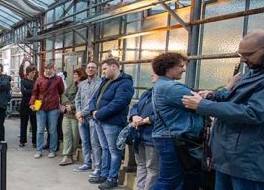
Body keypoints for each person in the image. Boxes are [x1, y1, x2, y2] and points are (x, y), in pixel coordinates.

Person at [182, 30, 264, 190]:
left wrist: (203, 106)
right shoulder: (256, 70)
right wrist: (213, 96)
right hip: (228, 155)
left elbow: (254, 112)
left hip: (249, 158)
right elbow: (236, 98)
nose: (243, 59)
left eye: (248, 54)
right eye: (241, 54)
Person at [147, 52, 204, 190]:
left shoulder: (162, 85)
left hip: (168, 137)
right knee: (169, 181)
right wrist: (228, 88)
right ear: (168, 67)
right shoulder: (171, 87)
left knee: (175, 179)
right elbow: (203, 103)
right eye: (180, 66)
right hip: (172, 138)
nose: (183, 69)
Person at [85, 58, 134, 189]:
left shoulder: (125, 83)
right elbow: (94, 98)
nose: (103, 72)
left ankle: (112, 178)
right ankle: (104, 174)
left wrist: (98, 114)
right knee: (105, 149)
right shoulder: (106, 81)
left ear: (114, 67)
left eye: (105, 69)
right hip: (100, 121)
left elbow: (118, 103)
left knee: (114, 151)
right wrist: (92, 111)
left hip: (113, 123)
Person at [129, 74, 159, 190]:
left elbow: (163, 113)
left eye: (155, 73)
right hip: (139, 135)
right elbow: (135, 105)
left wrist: (146, 120)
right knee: (141, 165)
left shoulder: (164, 94)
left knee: (152, 168)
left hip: (152, 135)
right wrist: (134, 116)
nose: (151, 75)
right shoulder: (148, 92)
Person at [29, 61, 65, 158]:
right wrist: (32, 103)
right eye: (46, 69)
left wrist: (61, 104)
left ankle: (52, 150)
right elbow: (34, 93)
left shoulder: (58, 79)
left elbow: (61, 92)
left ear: (54, 69)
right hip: (40, 106)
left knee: (52, 130)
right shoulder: (39, 79)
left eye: (50, 68)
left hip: (53, 107)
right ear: (44, 69)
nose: (48, 70)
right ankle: (39, 150)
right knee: (40, 130)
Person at [74, 62, 103, 176]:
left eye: (93, 68)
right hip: (81, 118)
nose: (91, 69)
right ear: (86, 70)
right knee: (85, 142)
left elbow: (95, 102)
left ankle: (97, 167)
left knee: (94, 142)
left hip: (92, 118)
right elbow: (77, 99)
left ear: (97, 70)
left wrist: (82, 113)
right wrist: (78, 113)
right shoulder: (82, 84)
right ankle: (86, 163)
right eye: (89, 67)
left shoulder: (100, 83)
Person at [60, 68, 87, 166]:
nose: (74, 76)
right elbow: (63, 95)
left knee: (75, 136)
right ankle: (67, 155)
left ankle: (71, 154)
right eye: (74, 74)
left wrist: (72, 106)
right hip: (67, 114)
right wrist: (67, 105)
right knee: (66, 135)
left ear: (81, 75)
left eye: (76, 74)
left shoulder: (85, 86)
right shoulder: (72, 85)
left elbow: (84, 101)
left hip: (77, 114)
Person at [18, 59, 37, 148]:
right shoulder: (23, 80)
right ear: (28, 72)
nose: (34, 74)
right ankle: (22, 140)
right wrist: (33, 91)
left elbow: (38, 92)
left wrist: (29, 91)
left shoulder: (36, 80)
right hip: (25, 103)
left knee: (34, 123)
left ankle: (34, 141)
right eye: (32, 72)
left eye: (34, 72)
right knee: (23, 123)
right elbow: (23, 91)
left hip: (35, 103)